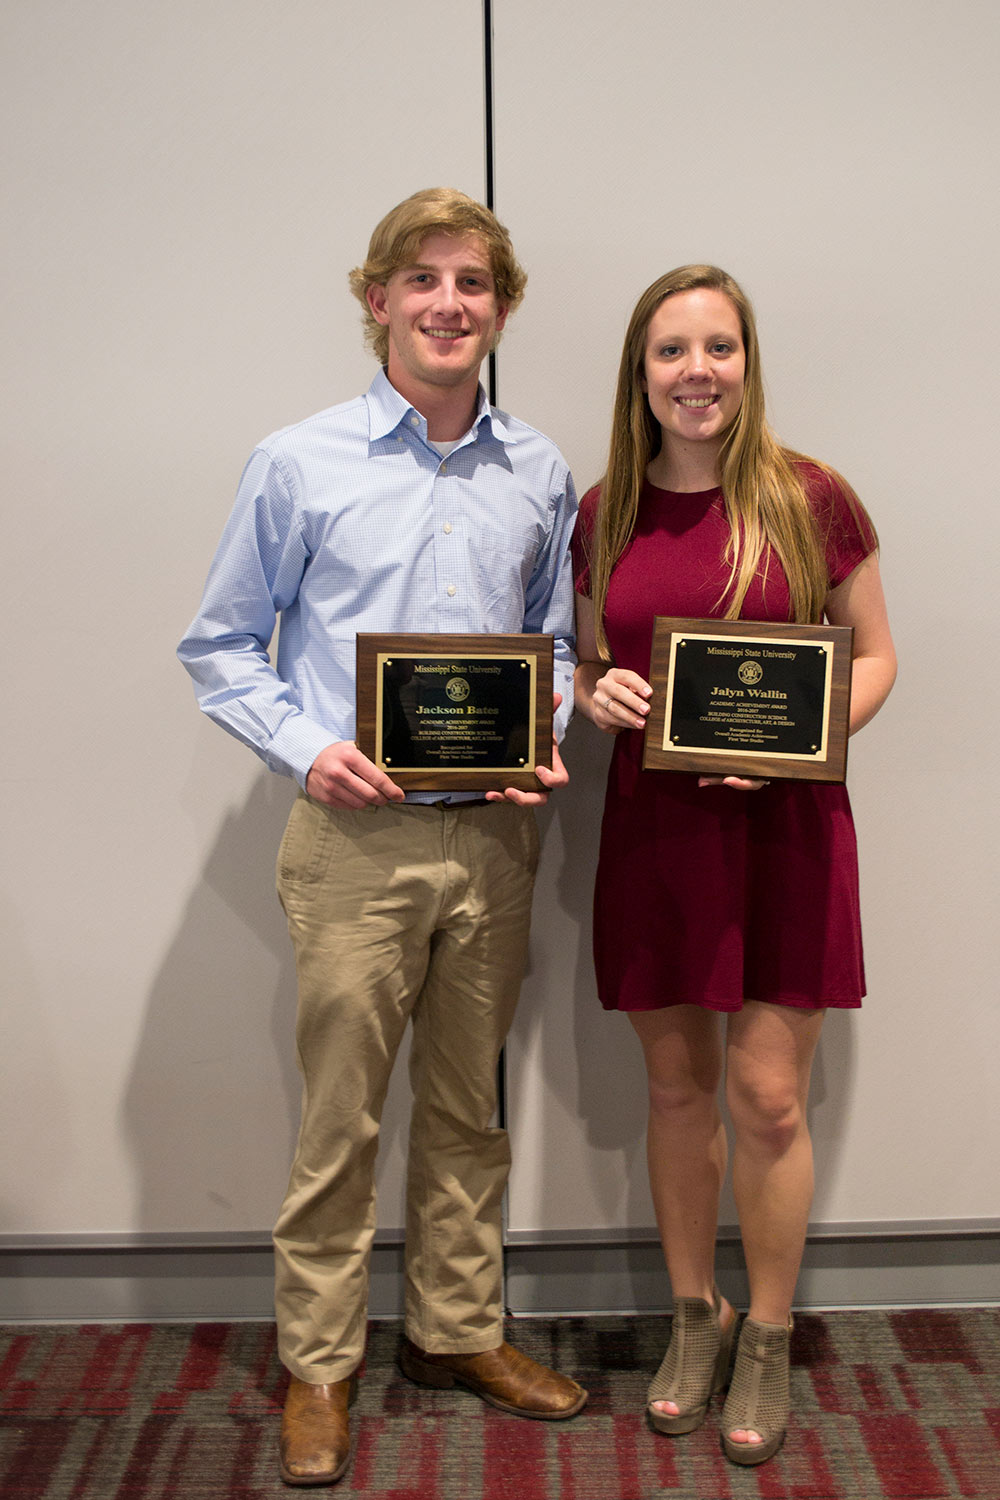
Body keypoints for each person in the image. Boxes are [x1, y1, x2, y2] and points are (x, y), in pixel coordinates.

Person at [178, 187, 586, 1488]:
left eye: (473, 283)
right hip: (355, 844)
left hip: (495, 842)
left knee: (471, 1109)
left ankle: (460, 1331)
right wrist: (311, 748)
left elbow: (557, 645)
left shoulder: (541, 470)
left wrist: (547, 729)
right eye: (423, 280)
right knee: (342, 1119)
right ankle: (321, 1363)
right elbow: (221, 645)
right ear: (378, 300)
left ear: (503, 308)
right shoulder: (298, 461)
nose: (448, 304)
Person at [572, 266, 895, 1466]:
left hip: (785, 835)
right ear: (640, 371)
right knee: (673, 1092)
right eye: (671, 350)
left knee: (765, 1098)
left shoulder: (813, 499)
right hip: (657, 836)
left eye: (718, 347)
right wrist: (593, 688)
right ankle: (692, 1320)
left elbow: (875, 659)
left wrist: (810, 743)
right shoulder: (604, 510)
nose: (695, 371)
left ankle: (765, 1329)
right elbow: (589, 659)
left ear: (747, 362)